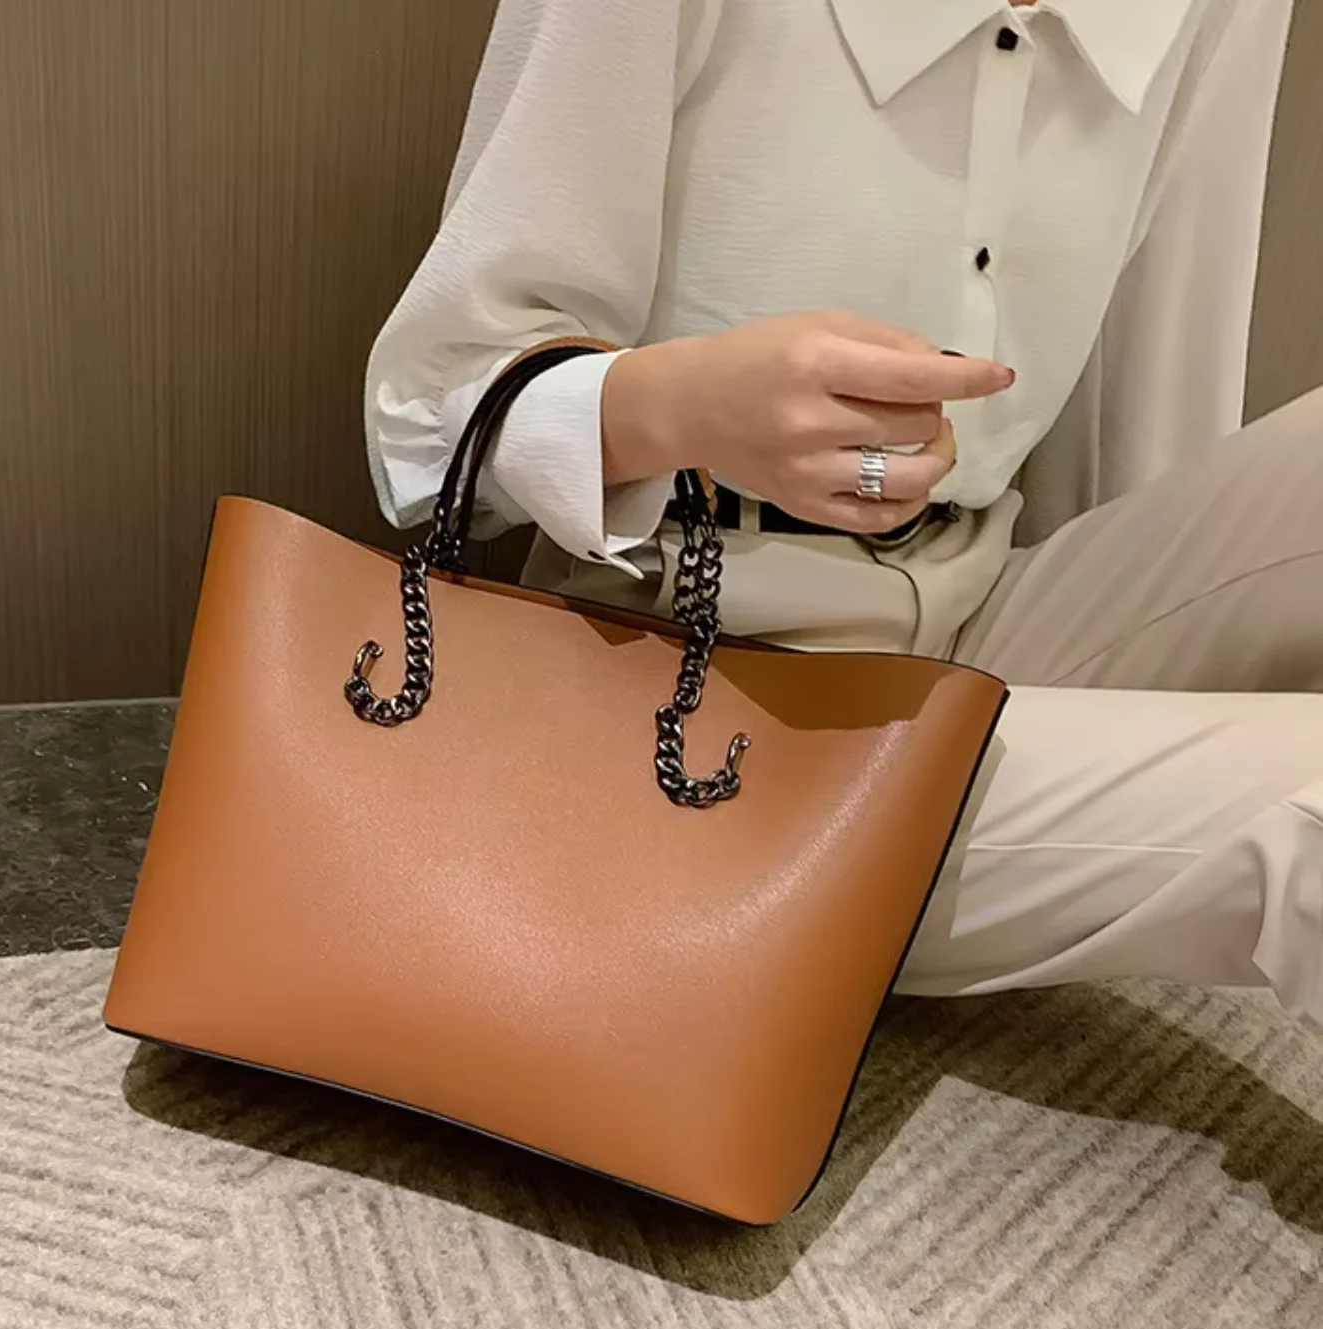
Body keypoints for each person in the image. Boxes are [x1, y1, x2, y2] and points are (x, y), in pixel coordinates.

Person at [365, 0, 1321, 1020]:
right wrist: (684, 405)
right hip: (680, 679)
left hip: (991, 615)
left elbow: (1149, 373)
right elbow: (428, 417)